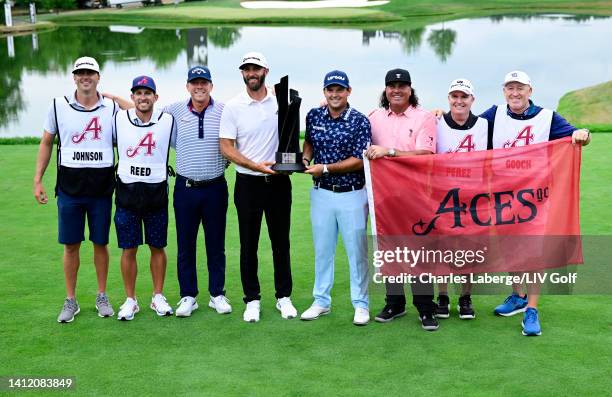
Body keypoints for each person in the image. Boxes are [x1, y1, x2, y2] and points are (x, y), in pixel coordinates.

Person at [106, 66, 232, 318]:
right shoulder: (172, 111)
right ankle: (188, 296)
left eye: (204, 82)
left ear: (211, 86)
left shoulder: (224, 110)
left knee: (215, 244)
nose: (199, 87)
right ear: (187, 86)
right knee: (185, 244)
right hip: (185, 188)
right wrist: (107, 97)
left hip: (216, 187)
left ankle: (217, 294)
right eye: (194, 82)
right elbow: (142, 109)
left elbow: (234, 135)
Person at [479, 70, 591, 336]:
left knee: (533, 253)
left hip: (536, 197)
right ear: (503, 91)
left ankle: (532, 308)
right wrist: (438, 115)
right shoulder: (494, 115)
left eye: (520, 88)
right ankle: (517, 296)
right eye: (510, 88)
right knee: (511, 249)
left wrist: (583, 134)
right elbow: (467, 126)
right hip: (504, 196)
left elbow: (578, 135)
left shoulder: (547, 117)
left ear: (530, 91)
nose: (515, 93)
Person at [34, 56, 117, 323]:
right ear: (74, 77)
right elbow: (47, 142)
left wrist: (111, 97)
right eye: (80, 73)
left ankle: (101, 295)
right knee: (71, 246)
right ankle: (71, 300)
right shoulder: (58, 106)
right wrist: (38, 179)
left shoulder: (111, 108)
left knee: (100, 243)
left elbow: (138, 113)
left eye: (90, 73)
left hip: (102, 189)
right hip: (69, 189)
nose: (85, 77)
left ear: (98, 77)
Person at [219, 52, 297, 322]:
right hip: (248, 183)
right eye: (247, 69)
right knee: (248, 243)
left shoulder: (281, 100)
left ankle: (283, 296)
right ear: (242, 73)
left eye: (256, 68)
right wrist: (254, 165)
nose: (251, 73)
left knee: (281, 242)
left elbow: (297, 118)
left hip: (278, 182)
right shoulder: (233, 106)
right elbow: (226, 147)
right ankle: (252, 299)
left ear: (266, 70)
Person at [365, 68, 439, 331]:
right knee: (390, 250)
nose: (396, 90)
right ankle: (394, 303)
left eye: (402, 86)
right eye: (392, 86)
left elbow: (426, 154)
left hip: (416, 194)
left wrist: (391, 152)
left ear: (410, 89)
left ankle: (426, 307)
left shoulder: (424, 117)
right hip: (384, 196)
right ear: (385, 89)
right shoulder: (374, 117)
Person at [299, 70, 372, 326]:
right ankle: (321, 301)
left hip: (351, 194)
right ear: (324, 92)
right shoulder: (314, 114)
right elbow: (309, 141)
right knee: (323, 251)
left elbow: (359, 160)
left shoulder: (359, 120)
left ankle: (361, 304)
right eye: (330, 89)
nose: (334, 94)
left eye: (339, 89)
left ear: (348, 91)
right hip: (321, 194)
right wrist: (306, 158)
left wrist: (326, 168)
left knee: (357, 252)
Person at [113, 76, 175, 320]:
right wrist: (110, 97)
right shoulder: (118, 118)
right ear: (132, 97)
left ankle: (157, 296)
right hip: (127, 194)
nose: (143, 97)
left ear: (156, 97)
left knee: (157, 247)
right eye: (138, 93)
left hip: (156, 193)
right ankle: (131, 300)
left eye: (147, 93)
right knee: (129, 249)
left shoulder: (167, 120)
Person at [433, 78, 489, 320]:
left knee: (470, 251)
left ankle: (465, 297)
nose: (459, 101)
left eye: (464, 96)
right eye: (454, 96)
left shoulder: (485, 124)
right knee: (444, 249)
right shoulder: (435, 122)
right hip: (443, 196)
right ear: (448, 99)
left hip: (473, 198)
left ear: (472, 100)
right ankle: (443, 296)